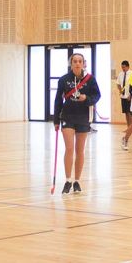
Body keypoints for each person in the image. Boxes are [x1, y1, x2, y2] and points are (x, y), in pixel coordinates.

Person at [53, 53, 100, 195]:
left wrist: (86, 98)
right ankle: (67, 180)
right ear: (71, 63)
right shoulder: (63, 80)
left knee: (80, 150)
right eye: (75, 61)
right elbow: (58, 100)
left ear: (84, 63)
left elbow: (97, 96)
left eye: (80, 61)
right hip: (68, 116)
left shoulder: (90, 79)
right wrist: (56, 120)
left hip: (83, 117)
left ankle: (77, 181)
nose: (77, 64)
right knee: (69, 148)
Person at [115, 60, 132, 129]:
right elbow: (118, 83)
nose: (123, 69)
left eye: (124, 67)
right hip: (123, 96)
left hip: (129, 96)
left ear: (128, 66)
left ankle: (131, 128)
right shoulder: (120, 74)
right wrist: (120, 90)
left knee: (129, 113)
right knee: (126, 112)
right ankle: (128, 127)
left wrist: (131, 95)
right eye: (122, 67)